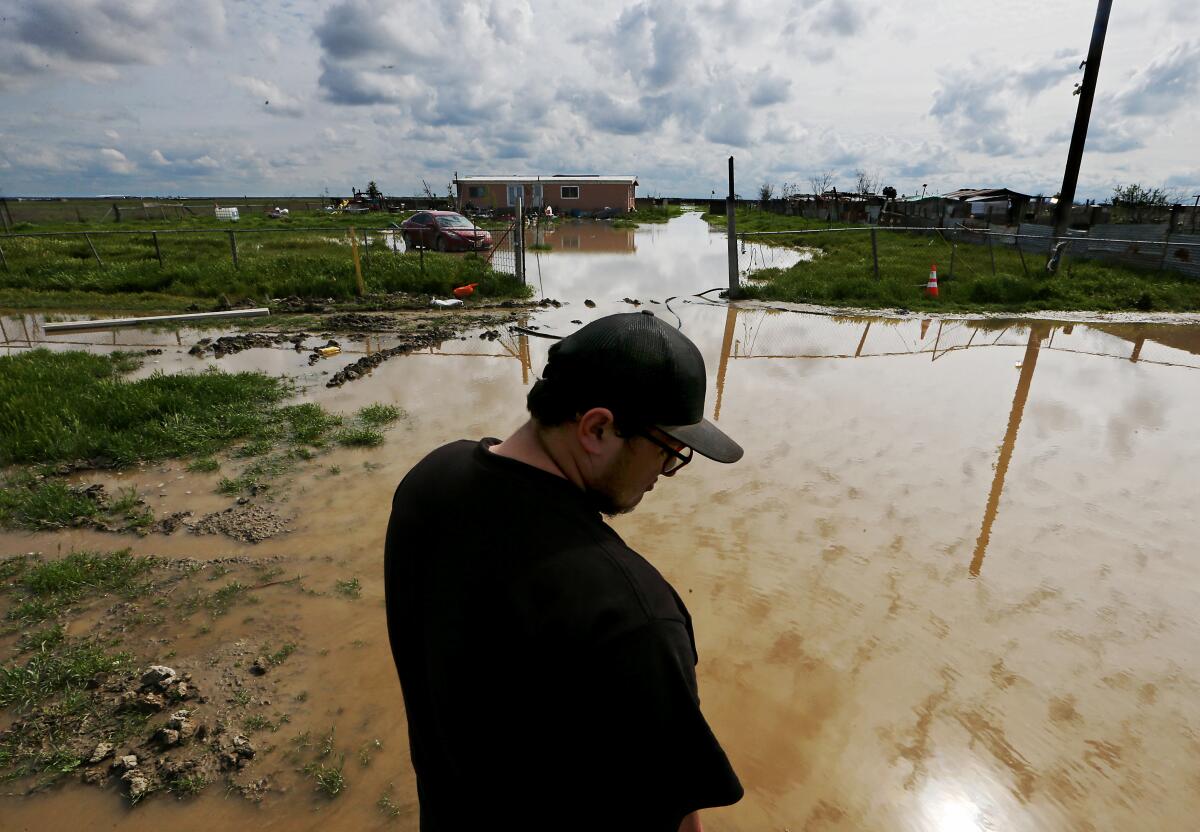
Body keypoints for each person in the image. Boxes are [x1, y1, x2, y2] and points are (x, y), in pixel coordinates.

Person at [385, 311, 744, 831]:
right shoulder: (631, 616)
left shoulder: (429, 480)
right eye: (669, 453)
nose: (666, 475)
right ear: (597, 428)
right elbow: (671, 816)